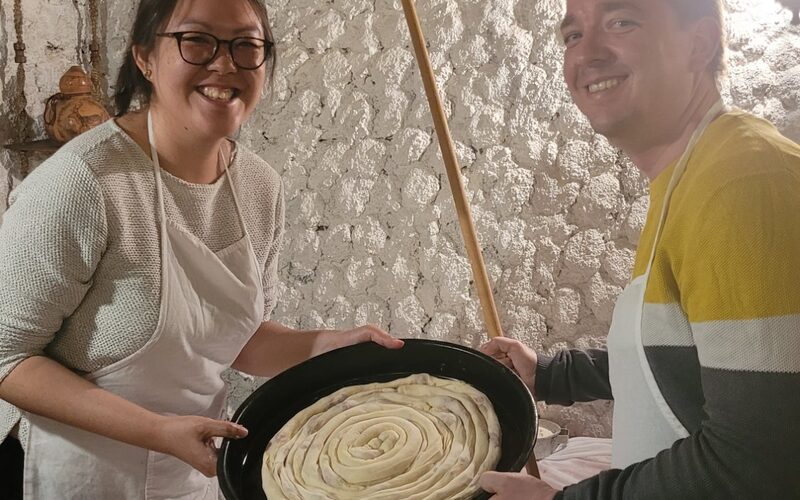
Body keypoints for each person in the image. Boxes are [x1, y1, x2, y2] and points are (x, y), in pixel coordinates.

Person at [0, 0, 402, 498]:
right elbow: (6, 356)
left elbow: (237, 339)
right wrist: (156, 432)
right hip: (84, 473)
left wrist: (327, 346)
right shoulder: (82, 183)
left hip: (193, 470)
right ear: (145, 58)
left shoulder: (258, 187)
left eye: (246, 46)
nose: (225, 63)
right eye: (197, 41)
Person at [479, 0, 800, 499]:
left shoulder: (743, 179)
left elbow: (758, 461)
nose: (587, 54)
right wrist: (549, 374)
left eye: (621, 21)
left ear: (700, 42)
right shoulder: (688, 179)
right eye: (572, 36)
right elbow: (683, 358)